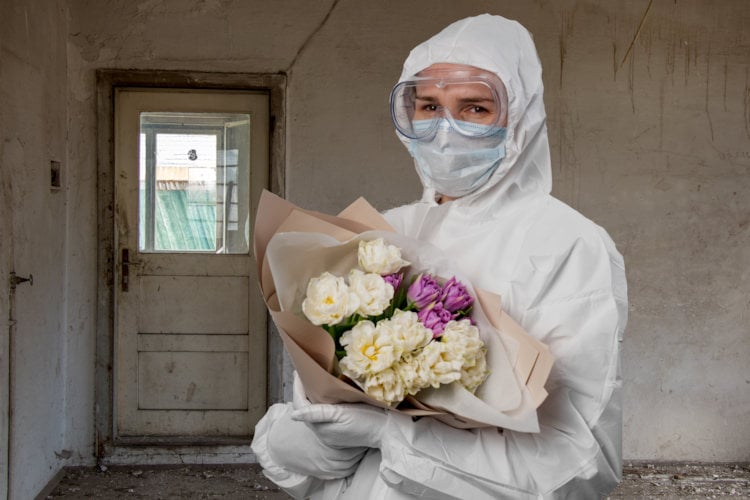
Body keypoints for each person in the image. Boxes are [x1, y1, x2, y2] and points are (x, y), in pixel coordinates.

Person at [252, 13, 627, 499]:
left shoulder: (567, 245)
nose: (445, 130)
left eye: (474, 108)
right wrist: (314, 439)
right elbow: (308, 432)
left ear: (522, 117)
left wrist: (394, 436)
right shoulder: (384, 231)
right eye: (428, 105)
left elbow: (579, 465)